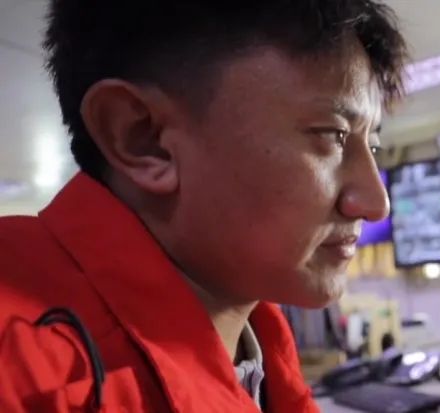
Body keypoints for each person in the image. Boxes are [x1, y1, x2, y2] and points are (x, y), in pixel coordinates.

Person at [0, 0, 407, 411]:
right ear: (144, 139)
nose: (376, 204)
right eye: (332, 134)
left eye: (372, 146)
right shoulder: (17, 363)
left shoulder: (259, 343)